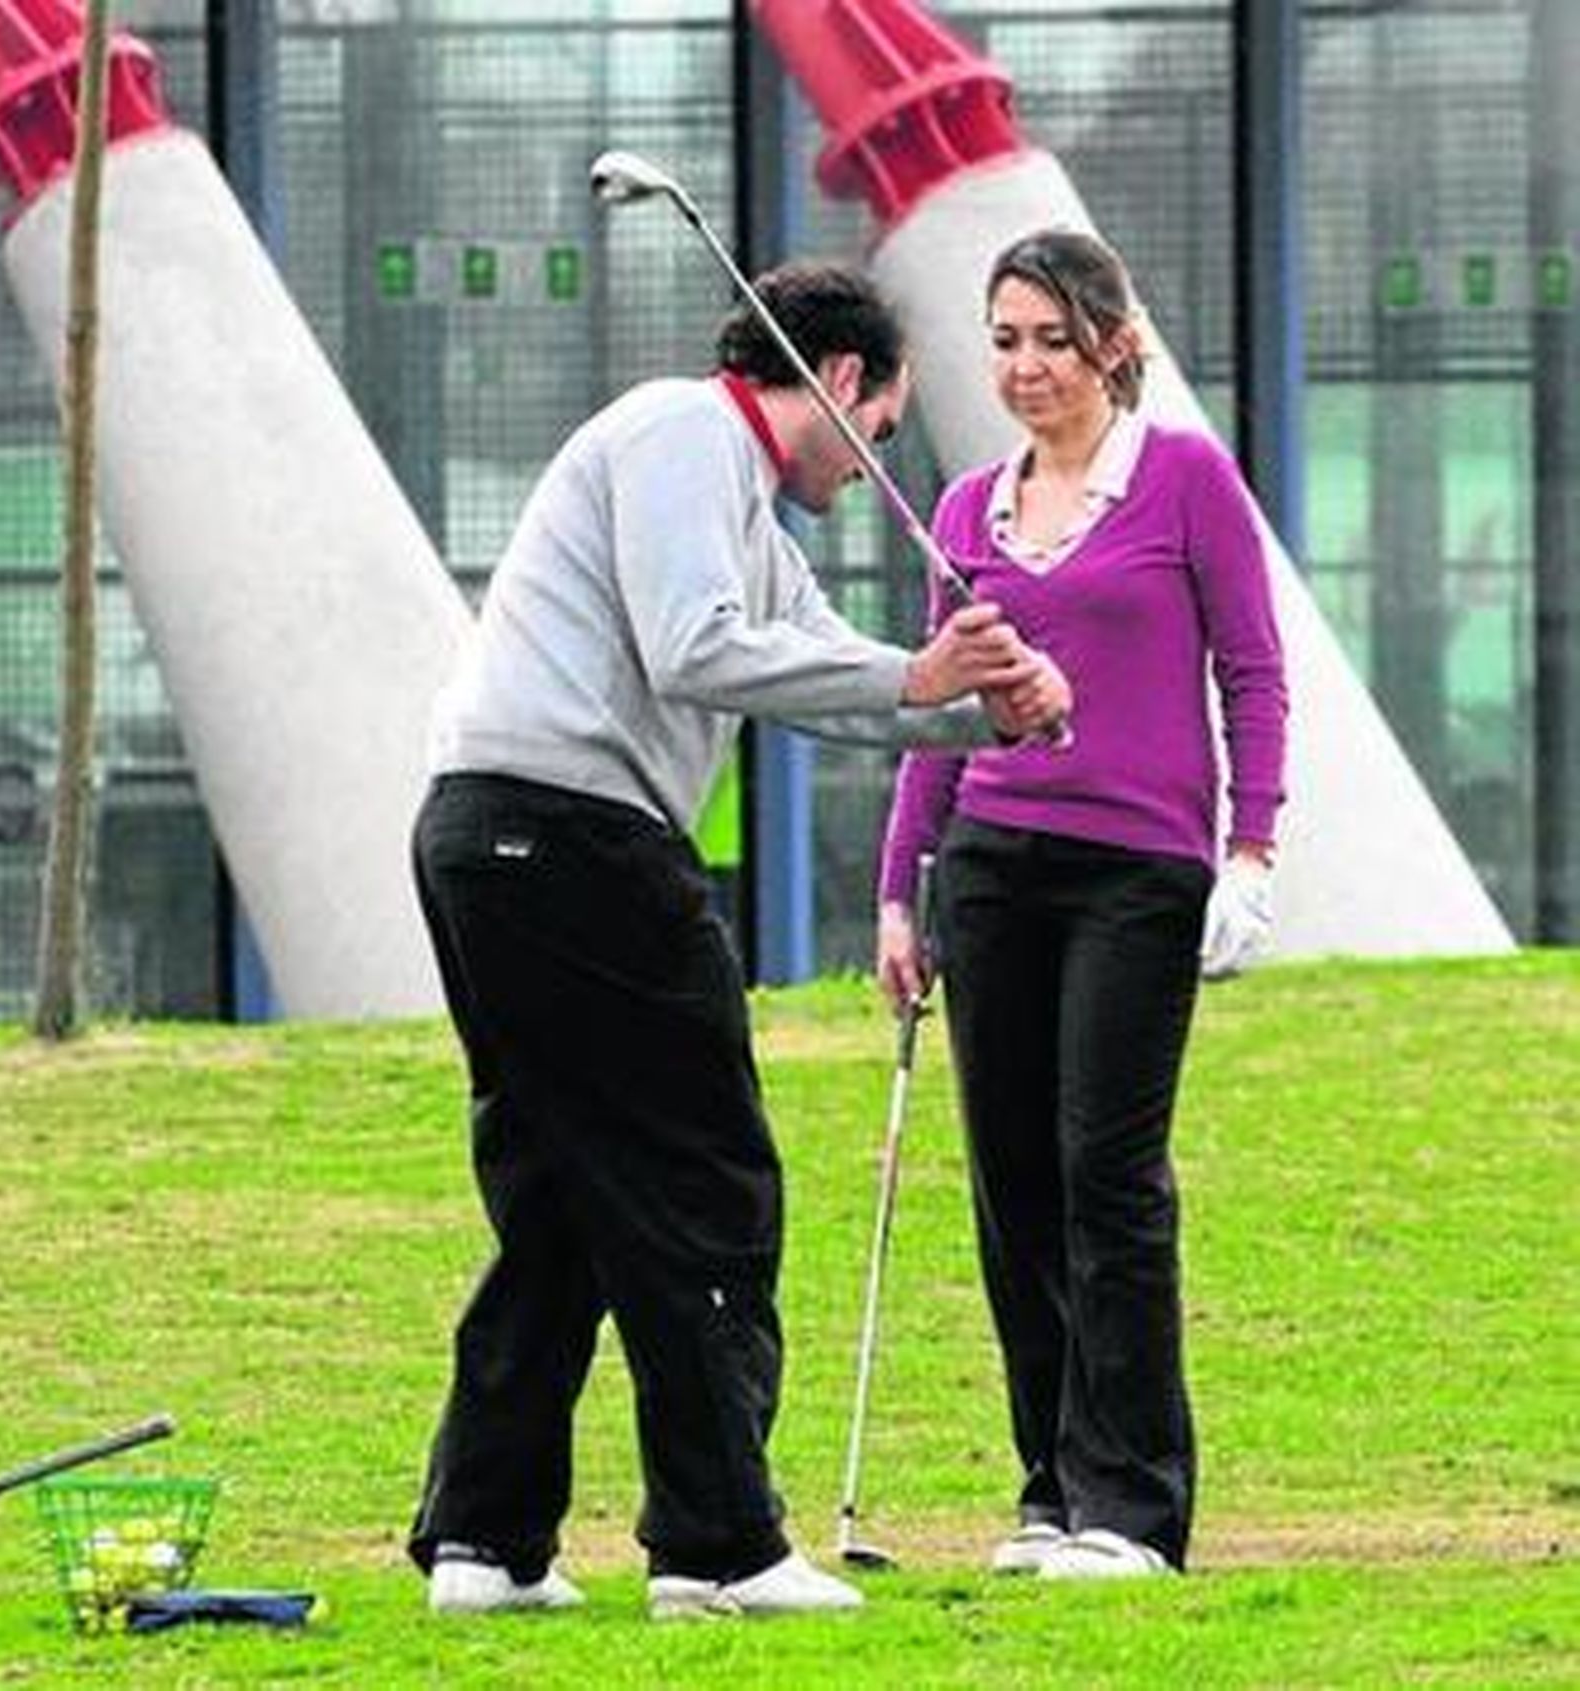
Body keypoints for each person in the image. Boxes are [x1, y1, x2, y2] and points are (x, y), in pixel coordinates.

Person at [408, 260, 1071, 1621]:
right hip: (568, 841)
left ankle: (488, 1542)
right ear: (841, 380)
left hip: (509, 842)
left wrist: (983, 708)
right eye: (882, 425)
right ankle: (717, 1549)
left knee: (561, 1200)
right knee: (707, 1184)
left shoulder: (750, 515)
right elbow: (695, 649)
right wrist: (918, 674)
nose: (873, 457)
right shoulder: (681, 432)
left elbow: (832, 669)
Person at [876, 229, 1288, 1581]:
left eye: (1052, 338)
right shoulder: (965, 509)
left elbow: (1253, 676)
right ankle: (1052, 1486)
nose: (1026, 365)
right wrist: (898, 895)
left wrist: (1254, 850)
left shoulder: (1185, 481)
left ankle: (1134, 1510)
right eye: (1004, 339)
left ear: (1113, 343)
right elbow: (942, 705)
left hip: (1138, 871)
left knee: (1108, 1179)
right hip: (995, 868)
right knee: (1014, 1186)